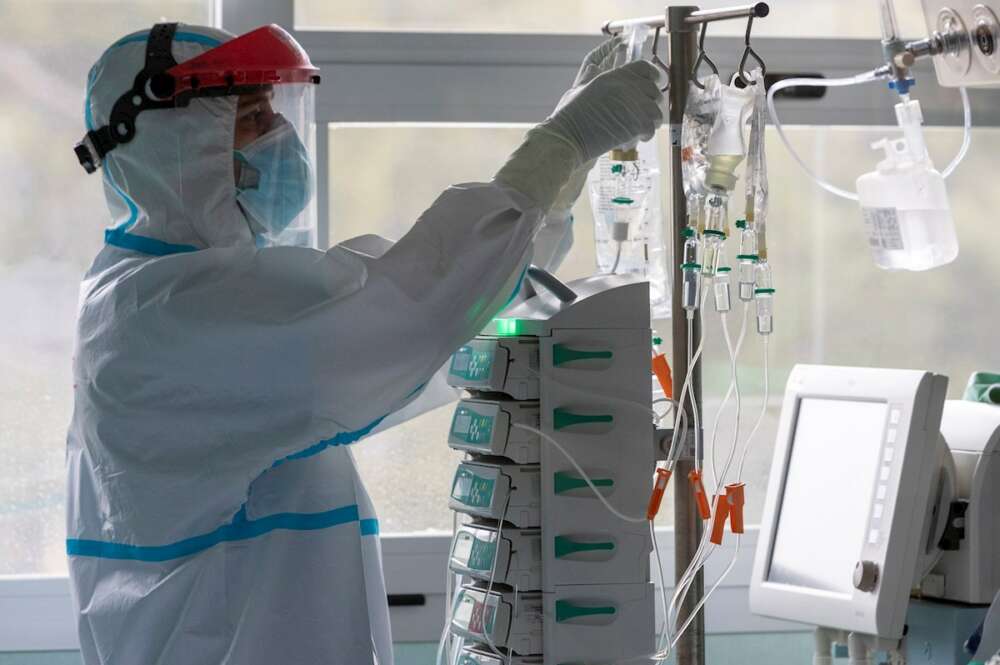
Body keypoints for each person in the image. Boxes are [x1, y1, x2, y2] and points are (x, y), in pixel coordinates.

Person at [66, 22, 663, 665]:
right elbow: (407, 311)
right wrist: (556, 148)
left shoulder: (186, 288)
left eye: (276, 111)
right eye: (249, 117)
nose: (279, 139)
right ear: (170, 142)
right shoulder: (164, 313)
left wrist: (559, 173)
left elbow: (445, 305)